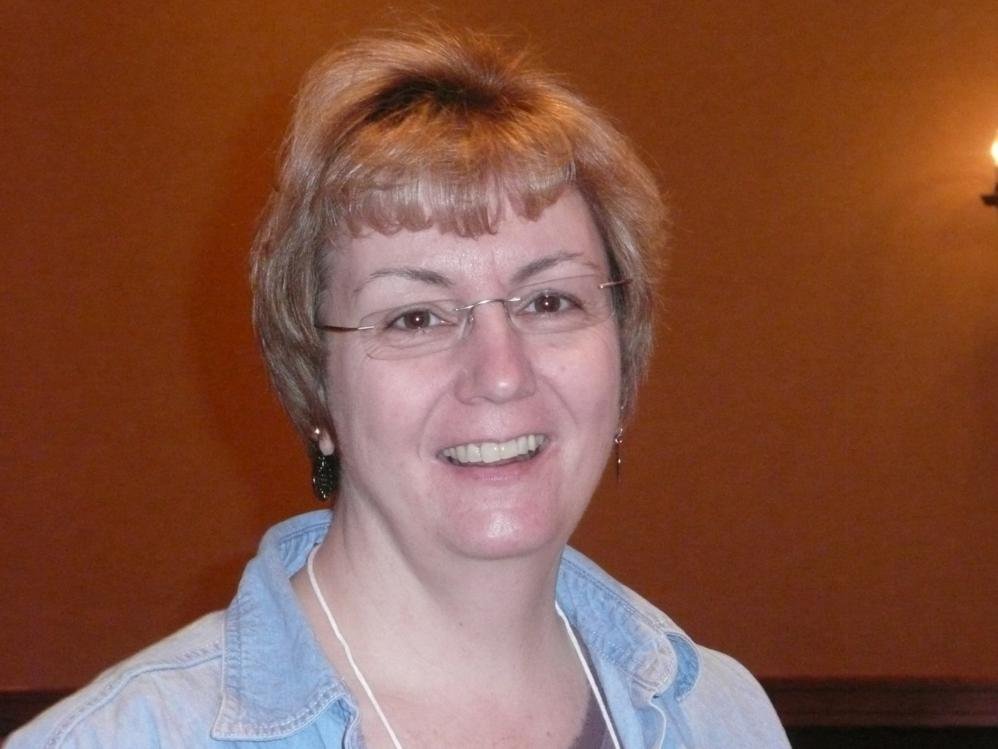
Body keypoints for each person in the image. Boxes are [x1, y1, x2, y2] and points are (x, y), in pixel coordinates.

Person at [9, 28, 790, 748]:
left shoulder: (718, 716)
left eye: (551, 300)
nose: (501, 371)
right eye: (415, 316)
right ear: (316, 381)